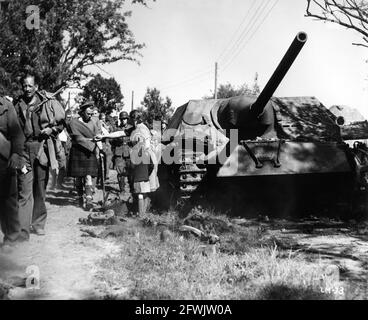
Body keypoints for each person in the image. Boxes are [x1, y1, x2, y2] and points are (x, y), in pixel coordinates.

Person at [14, 73, 65, 236]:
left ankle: (38, 223)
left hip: (42, 148)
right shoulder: (17, 104)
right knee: (24, 190)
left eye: (30, 86)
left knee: (40, 189)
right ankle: (23, 230)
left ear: (36, 87)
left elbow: (61, 124)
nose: (27, 89)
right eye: (24, 86)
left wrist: (51, 129)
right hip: (23, 150)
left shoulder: (47, 102)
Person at [0, 95, 26, 247]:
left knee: (8, 200)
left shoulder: (6, 106)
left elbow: (17, 134)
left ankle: (12, 238)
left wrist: (16, 154)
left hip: (3, 159)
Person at [66, 101, 102, 209]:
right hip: (77, 150)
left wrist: (100, 150)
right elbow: (75, 136)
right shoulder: (74, 123)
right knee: (78, 177)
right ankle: (80, 197)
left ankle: (89, 199)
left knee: (88, 176)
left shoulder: (94, 123)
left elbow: (97, 136)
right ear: (82, 112)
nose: (90, 116)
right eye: (88, 114)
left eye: (91, 114)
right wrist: (87, 141)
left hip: (89, 152)